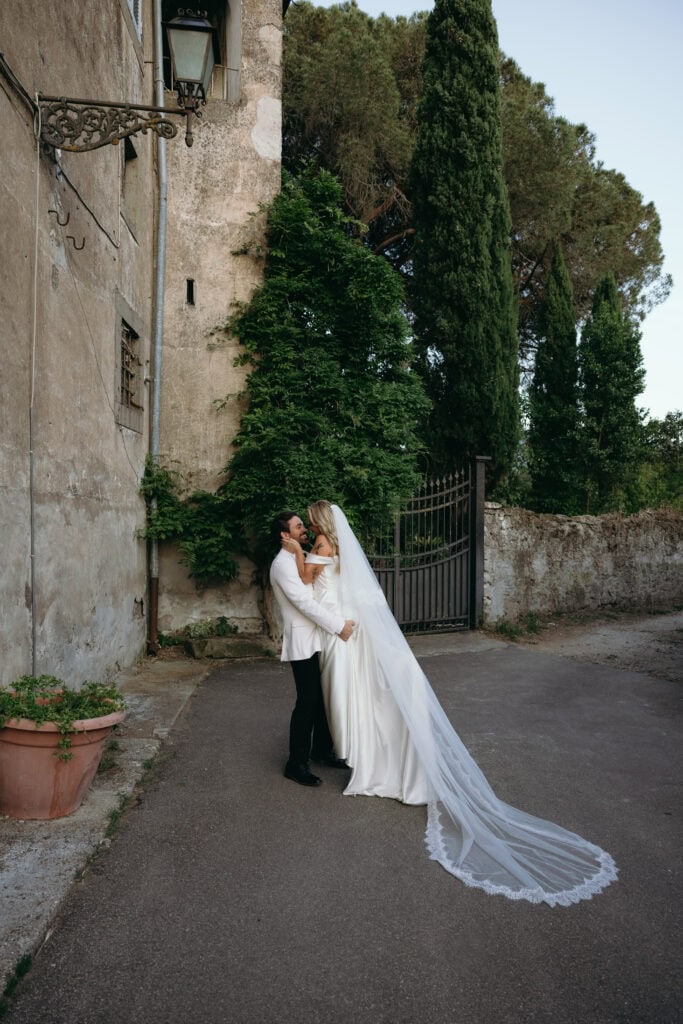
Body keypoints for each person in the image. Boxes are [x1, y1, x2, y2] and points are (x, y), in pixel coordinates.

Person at [284, 501, 618, 906]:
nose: (304, 528)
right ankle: (358, 752)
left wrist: (295, 552)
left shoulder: (318, 543)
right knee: (357, 698)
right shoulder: (333, 542)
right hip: (344, 625)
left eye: (307, 520)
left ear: (318, 523)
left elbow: (304, 581)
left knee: (344, 698)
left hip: (338, 631)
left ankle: (359, 756)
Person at [269, 510, 355, 788]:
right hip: (302, 640)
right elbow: (305, 603)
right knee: (307, 702)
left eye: (303, 525)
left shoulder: (297, 558)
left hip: (316, 637)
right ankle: (296, 763)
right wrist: (337, 625)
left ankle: (321, 750)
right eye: (297, 527)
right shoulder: (282, 565)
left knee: (321, 697)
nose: (303, 529)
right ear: (285, 535)